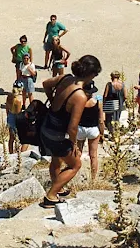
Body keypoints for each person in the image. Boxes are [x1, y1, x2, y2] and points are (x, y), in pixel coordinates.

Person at [39, 55, 101, 208]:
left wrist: (52, 99)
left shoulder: (65, 78)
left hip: (46, 127)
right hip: (58, 135)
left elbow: (45, 83)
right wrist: (73, 144)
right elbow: (73, 126)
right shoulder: (79, 96)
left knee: (56, 160)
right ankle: (51, 195)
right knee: (75, 165)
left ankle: (58, 189)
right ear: (91, 74)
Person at [76, 81, 104, 181]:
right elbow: (101, 120)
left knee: (78, 153)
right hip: (93, 129)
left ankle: (75, 174)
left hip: (80, 128)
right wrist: (102, 133)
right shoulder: (97, 102)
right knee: (93, 155)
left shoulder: (79, 102)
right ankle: (93, 178)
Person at [5, 82, 28, 154]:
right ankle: (22, 154)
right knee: (25, 139)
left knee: (11, 138)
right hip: (16, 119)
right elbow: (18, 114)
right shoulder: (18, 101)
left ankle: (11, 153)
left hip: (10, 116)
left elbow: (7, 109)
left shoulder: (9, 97)